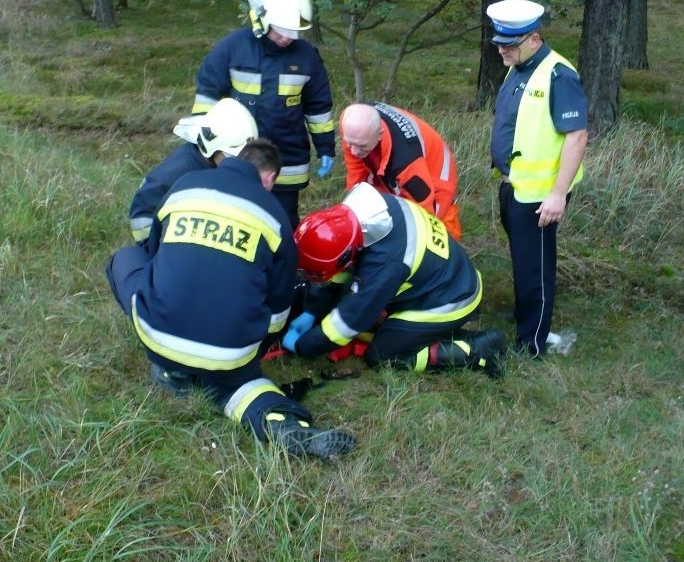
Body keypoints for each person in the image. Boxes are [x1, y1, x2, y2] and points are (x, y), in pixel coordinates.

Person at [105, 102, 355, 461]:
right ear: (268, 178)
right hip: (229, 351)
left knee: (124, 258)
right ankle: (279, 422)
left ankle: (172, 371)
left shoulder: (184, 186)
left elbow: (158, 256)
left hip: (158, 334)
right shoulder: (274, 217)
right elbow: (278, 304)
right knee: (238, 385)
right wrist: (261, 342)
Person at [282, 182, 507, 376]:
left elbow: (347, 322)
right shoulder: (359, 215)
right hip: (441, 277)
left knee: (383, 354)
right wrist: (312, 310)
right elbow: (341, 272)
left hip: (450, 298)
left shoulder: (385, 261)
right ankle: (424, 334)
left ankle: (476, 350)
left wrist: (305, 346)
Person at [486, 0, 589, 358]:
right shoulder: (518, 68)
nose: (501, 50)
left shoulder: (559, 74)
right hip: (514, 186)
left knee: (536, 269)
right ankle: (526, 319)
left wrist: (558, 194)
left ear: (534, 38)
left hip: (540, 196)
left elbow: (576, 136)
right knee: (523, 262)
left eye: (509, 44)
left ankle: (532, 343)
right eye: (498, 43)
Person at [191, 0, 335, 229]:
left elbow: (318, 107)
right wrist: (202, 143)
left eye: (293, 33)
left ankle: (285, 265)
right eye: (281, 31)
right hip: (239, 151)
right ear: (263, 20)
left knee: (283, 220)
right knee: (238, 215)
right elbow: (208, 96)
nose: (286, 39)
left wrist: (326, 148)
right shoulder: (233, 47)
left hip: (288, 155)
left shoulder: (306, 56)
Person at [128, 99, 258, 250]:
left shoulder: (213, 165)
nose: (239, 163)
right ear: (210, 147)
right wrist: (157, 250)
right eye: (232, 157)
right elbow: (142, 216)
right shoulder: (175, 174)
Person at [340, 102, 462, 240]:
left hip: (436, 175)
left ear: (379, 135)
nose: (354, 151)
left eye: (361, 146)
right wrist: (353, 204)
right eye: (350, 143)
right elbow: (356, 169)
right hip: (400, 161)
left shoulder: (406, 162)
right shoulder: (352, 125)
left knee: (435, 228)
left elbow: (425, 210)